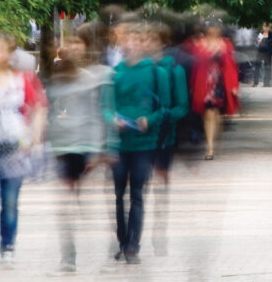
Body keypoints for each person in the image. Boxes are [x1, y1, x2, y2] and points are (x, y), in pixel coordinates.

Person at [103, 22, 169, 265]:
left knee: (137, 194)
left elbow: (163, 108)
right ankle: (122, 240)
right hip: (120, 143)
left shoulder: (156, 73)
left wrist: (148, 119)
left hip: (144, 143)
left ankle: (133, 246)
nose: (130, 44)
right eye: (126, 40)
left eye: (136, 40)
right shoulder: (115, 74)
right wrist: (113, 120)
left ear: (143, 44)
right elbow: (105, 107)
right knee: (118, 195)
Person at [46, 24, 110, 273]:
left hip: (85, 145)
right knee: (67, 204)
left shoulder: (94, 77)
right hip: (64, 146)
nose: (72, 47)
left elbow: (96, 114)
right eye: (69, 43)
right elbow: (49, 111)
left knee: (84, 203)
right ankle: (68, 255)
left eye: (77, 42)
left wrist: (96, 150)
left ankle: (102, 245)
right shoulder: (58, 77)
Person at [0, 32, 48, 266]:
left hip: (14, 146)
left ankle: (8, 246)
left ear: (9, 53)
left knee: (10, 199)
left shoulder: (23, 79)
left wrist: (35, 137)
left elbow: (40, 107)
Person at [146, 22, 189, 256]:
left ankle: (159, 233)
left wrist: (164, 117)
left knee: (160, 187)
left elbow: (182, 107)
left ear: (162, 43)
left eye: (151, 40)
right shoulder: (137, 69)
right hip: (139, 137)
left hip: (164, 137)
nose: (146, 45)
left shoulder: (174, 70)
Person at [189, 20, 240, 160]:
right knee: (208, 113)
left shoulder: (225, 44)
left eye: (216, 26)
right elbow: (195, 66)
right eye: (211, 26)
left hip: (220, 82)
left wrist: (234, 85)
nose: (214, 29)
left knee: (216, 113)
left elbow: (231, 65)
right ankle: (210, 147)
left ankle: (214, 140)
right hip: (204, 83)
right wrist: (193, 85)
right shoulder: (199, 44)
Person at [254, 23, 272, 87]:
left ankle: (266, 83)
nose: (264, 28)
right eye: (264, 26)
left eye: (266, 26)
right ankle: (255, 82)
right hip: (260, 52)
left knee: (267, 68)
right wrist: (258, 43)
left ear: (269, 27)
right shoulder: (261, 33)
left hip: (267, 53)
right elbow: (256, 44)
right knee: (257, 67)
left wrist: (264, 41)